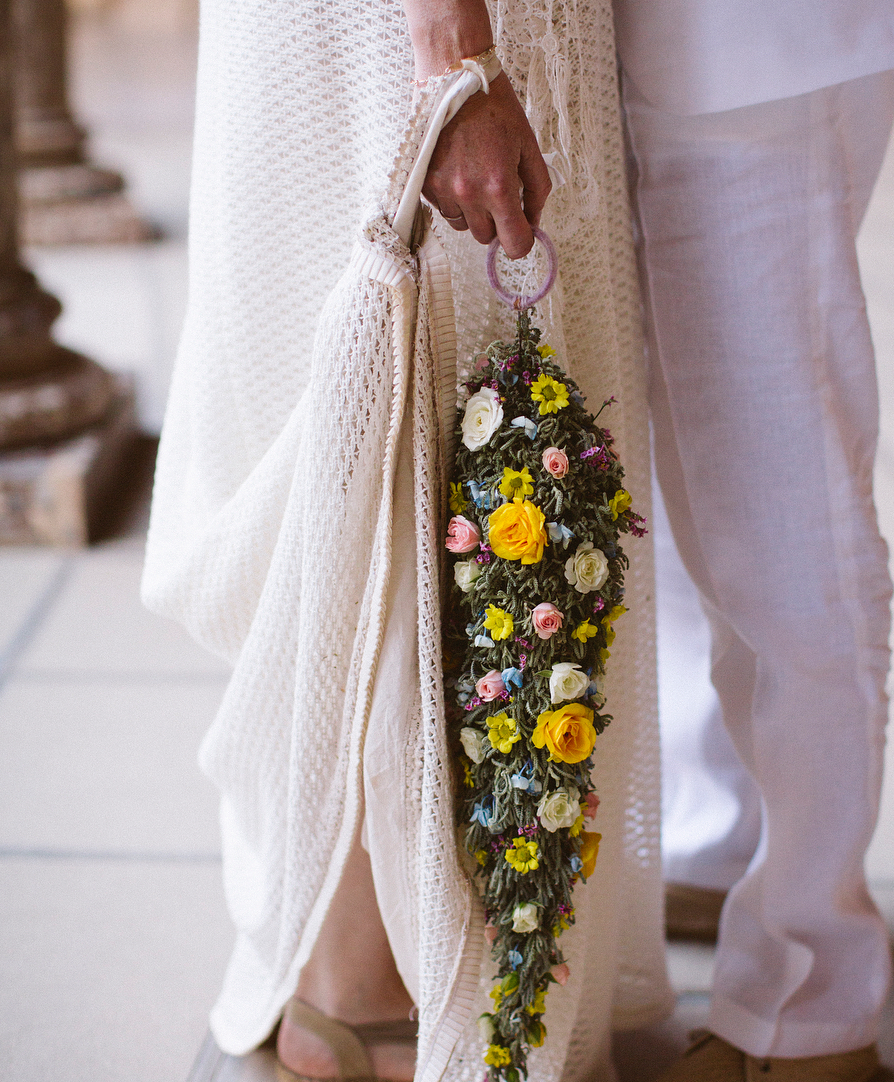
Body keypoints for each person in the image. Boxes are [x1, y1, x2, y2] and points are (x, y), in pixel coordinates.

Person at [142, 0, 671, 1080]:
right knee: (395, 421)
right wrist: (457, 57)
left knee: (392, 425)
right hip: (408, 30)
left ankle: (366, 977)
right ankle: (376, 988)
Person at [612, 2, 894, 1080]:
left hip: (746, 43)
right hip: (681, 47)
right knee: (690, 470)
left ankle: (812, 997)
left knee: (785, 508)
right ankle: (726, 833)